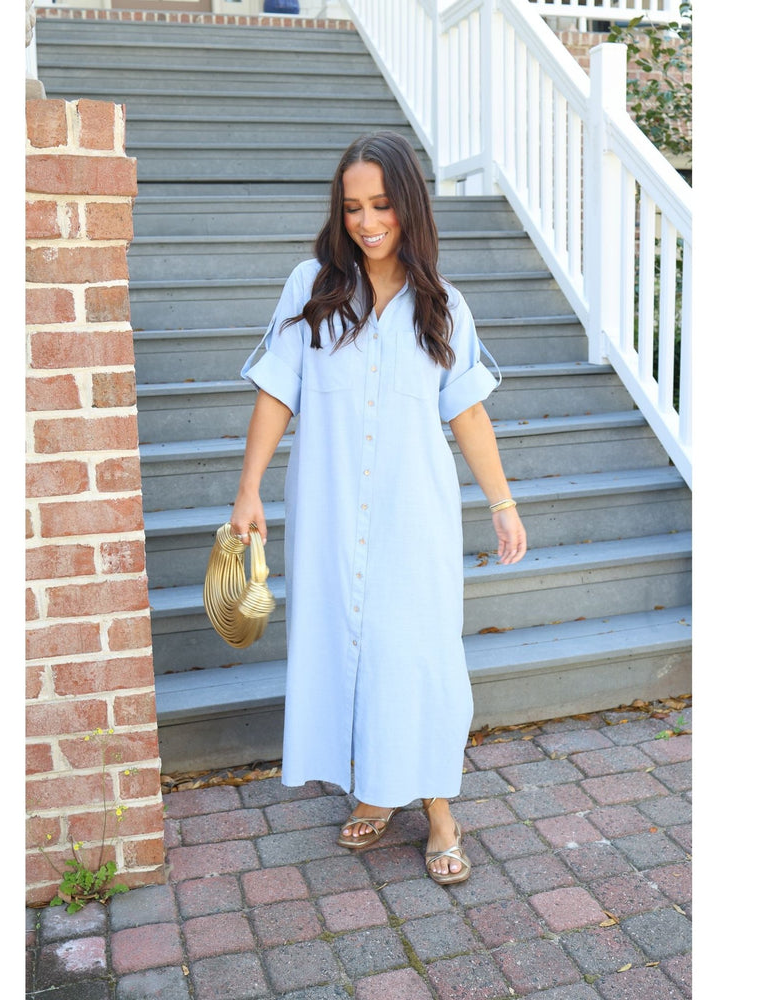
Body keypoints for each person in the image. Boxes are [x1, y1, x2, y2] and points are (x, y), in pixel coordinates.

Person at [231, 131, 527, 884]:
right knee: (350, 650)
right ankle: (373, 789)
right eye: (354, 207)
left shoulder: (444, 306)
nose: (367, 222)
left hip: (414, 518)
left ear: (410, 207)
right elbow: (277, 391)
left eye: (382, 206)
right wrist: (249, 487)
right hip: (331, 515)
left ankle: (438, 813)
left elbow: (468, 414)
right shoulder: (311, 286)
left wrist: (502, 503)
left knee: (418, 659)